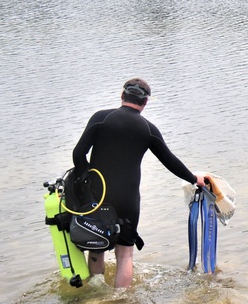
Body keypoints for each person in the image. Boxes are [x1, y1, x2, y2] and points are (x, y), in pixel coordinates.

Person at [73, 78, 206, 287]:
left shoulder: (101, 118)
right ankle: (120, 301)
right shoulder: (147, 128)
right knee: (125, 254)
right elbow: (170, 161)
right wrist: (194, 179)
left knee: (96, 246)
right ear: (145, 103)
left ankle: (95, 292)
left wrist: (85, 177)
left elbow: (78, 154)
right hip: (128, 199)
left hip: (98, 195)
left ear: (122, 96)